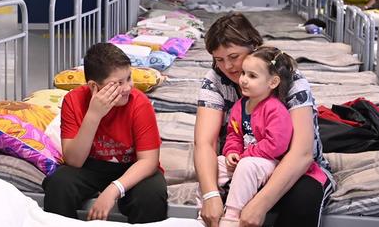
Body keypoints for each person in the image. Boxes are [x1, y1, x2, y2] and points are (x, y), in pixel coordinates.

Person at [194, 13, 333, 227]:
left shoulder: (291, 80)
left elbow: (302, 153)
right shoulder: (215, 80)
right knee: (213, 195)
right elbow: (205, 142)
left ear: (254, 47)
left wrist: (260, 203)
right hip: (243, 163)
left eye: (233, 57)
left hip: (293, 167)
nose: (228, 67)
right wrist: (210, 195)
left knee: (302, 199)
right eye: (219, 59)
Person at [42, 43, 168, 223]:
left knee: (151, 194)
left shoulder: (139, 103)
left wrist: (113, 189)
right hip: (90, 167)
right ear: (94, 86)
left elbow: (149, 161)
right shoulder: (74, 100)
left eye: (129, 78)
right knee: (59, 183)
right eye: (118, 83)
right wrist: (94, 115)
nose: (128, 87)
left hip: (131, 168)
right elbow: (73, 161)